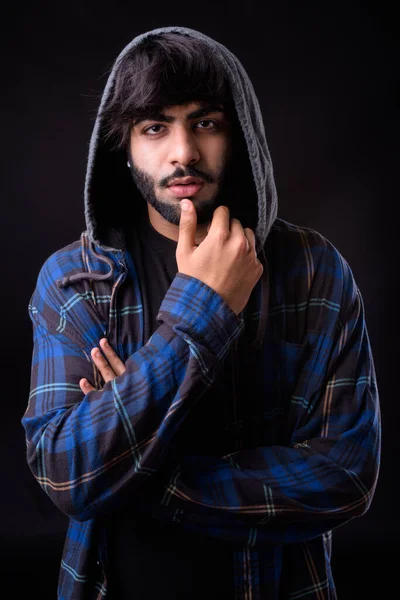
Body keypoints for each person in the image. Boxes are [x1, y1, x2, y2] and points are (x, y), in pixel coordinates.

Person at [22, 26, 381, 600]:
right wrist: (203, 309)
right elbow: (67, 469)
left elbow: (344, 475)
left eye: (205, 122)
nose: (183, 151)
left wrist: (147, 475)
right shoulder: (74, 280)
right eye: (155, 127)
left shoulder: (314, 269)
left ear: (237, 135)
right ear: (125, 145)